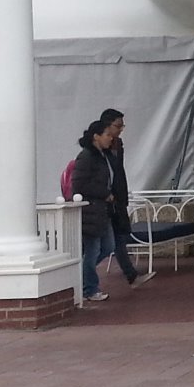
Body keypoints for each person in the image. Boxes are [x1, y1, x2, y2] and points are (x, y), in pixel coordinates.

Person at [100, 108, 153, 288]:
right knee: (107, 243)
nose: (121, 129)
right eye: (118, 126)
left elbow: (119, 172)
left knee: (119, 238)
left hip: (118, 198)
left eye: (122, 126)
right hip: (108, 200)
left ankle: (131, 275)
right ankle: (86, 274)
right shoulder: (98, 149)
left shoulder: (117, 145)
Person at [73, 120, 118, 306]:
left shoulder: (102, 156)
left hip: (101, 211)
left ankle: (83, 276)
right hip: (91, 210)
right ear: (96, 137)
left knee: (108, 246)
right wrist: (104, 194)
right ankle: (89, 288)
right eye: (107, 134)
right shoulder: (86, 157)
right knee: (93, 250)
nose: (111, 138)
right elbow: (79, 185)